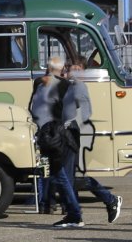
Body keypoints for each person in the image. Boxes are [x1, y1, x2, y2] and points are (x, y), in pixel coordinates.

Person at [30, 55, 121, 228]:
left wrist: (63, 125)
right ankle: (78, 211)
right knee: (62, 177)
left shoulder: (76, 86)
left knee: (66, 177)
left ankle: (100, 203)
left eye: (77, 68)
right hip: (54, 135)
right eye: (71, 67)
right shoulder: (48, 84)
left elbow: (84, 112)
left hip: (67, 135)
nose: (71, 70)